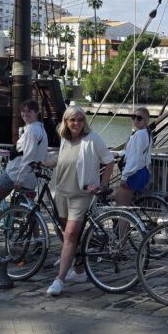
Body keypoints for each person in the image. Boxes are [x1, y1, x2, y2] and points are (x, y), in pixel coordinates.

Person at [46, 106, 114, 297]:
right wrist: (42, 161)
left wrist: (102, 184)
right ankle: (79, 269)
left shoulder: (92, 139)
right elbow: (62, 161)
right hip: (61, 193)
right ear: (66, 122)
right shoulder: (65, 140)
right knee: (68, 234)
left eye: (80, 120)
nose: (76, 124)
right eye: (72, 120)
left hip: (81, 195)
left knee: (69, 236)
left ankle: (59, 280)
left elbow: (109, 161)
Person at [0, 99, 49, 251]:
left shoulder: (30, 130)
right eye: (23, 111)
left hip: (15, 174)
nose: (25, 114)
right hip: (31, 176)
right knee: (30, 210)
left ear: (37, 113)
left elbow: (28, 156)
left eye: (29, 111)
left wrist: (19, 178)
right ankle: (37, 240)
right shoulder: (41, 129)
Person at [115, 107, 152, 208]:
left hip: (134, 173)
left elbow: (134, 158)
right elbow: (134, 153)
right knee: (118, 198)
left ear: (146, 121)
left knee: (122, 209)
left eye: (139, 118)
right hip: (142, 171)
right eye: (133, 117)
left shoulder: (139, 134)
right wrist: (117, 153)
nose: (135, 120)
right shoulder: (147, 133)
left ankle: (125, 223)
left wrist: (124, 177)